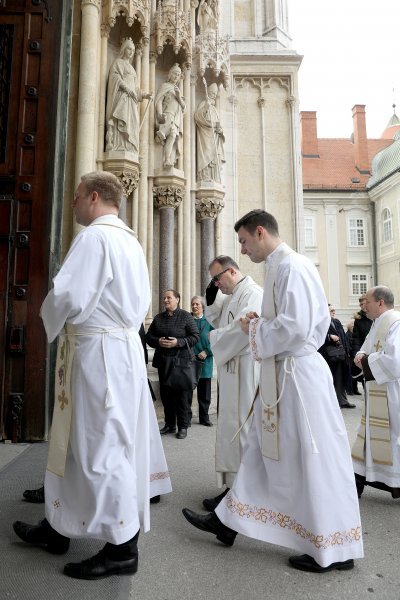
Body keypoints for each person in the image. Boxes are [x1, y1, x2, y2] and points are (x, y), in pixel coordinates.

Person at [183, 209, 363, 573]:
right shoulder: (281, 267)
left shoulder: (292, 267)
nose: (244, 250)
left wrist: (255, 330)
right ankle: (227, 522)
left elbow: (296, 327)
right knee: (261, 450)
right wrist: (260, 324)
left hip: (297, 377)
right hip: (284, 374)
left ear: (260, 232)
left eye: (245, 242)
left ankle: (334, 549)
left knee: (312, 458)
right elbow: (286, 322)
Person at [13, 171, 171, 580]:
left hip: (98, 353)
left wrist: (39, 321)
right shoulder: (130, 240)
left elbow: (68, 295)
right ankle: (58, 523)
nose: (74, 203)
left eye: (78, 195)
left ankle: (122, 548)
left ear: (95, 197)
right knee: (76, 445)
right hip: (113, 350)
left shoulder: (95, 238)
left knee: (100, 447)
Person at [202, 256, 263, 510]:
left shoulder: (252, 293)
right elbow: (218, 319)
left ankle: (244, 493)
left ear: (232, 271)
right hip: (232, 370)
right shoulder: (232, 294)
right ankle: (232, 488)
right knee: (230, 430)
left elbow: (244, 330)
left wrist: (214, 339)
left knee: (243, 430)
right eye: (213, 281)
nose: (216, 284)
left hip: (245, 370)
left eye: (217, 278)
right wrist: (211, 298)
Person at [352, 286, 400, 499]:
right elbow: (366, 347)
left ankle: (394, 482)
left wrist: (365, 361)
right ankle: (358, 480)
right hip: (375, 391)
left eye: (367, 303)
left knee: (393, 436)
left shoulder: (396, 323)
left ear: (381, 302)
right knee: (368, 435)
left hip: (391, 393)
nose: (364, 307)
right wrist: (361, 355)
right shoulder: (377, 323)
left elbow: (395, 361)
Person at [145, 289, 199, 439]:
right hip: (164, 362)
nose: (166, 300)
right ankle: (169, 425)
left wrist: (178, 342)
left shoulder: (186, 317)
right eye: (164, 298)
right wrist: (158, 341)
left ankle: (182, 427)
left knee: (182, 396)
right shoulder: (158, 318)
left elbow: (195, 337)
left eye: (169, 298)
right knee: (166, 395)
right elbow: (149, 336)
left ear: (177, 300)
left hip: (181, 362)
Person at [105, 38, 152, 153]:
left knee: (132, 124)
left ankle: (128, 147)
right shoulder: (117, 63)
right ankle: (117, 146)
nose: (131, 52)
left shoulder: (132, 69)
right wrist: (126, 88)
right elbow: (115, 78)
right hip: (122, 97)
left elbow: (135, 89)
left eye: (133, 50)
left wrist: (145, 95)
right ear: (124, 49)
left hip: (132, 101)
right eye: (129, 49)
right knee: (121, 119)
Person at [319, 305, 355, 409]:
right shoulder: (321, 323)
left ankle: (343, 401)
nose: (334, 311)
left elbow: (343, 337)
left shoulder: (337, 322)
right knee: (330, 380)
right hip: (327, 357)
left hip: (341, 355)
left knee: (341, 379)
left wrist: (346, 350)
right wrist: (329, 337)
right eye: (331, 310)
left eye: (334, 310)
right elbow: (317, 337)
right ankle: (331, 403)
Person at [155, 64, 185, 168]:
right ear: (170, 74)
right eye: (175, 74)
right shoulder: (165, 86)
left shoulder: (177, 89)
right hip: (167, 113)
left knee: (172, 136)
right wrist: (159, 113)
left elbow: (183, 106)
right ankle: (160, 134)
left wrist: (178, 96)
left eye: (178, 75)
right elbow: (159, 100)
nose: (176, 76)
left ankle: (167, 160)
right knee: (167, 132)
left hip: (176, 118)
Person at [190, 296, 214, 426]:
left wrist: (207, 351)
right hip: (190, 361)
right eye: (192, 304)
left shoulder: (210, 321)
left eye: (197, 304)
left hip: (205, 362)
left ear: (202, 306)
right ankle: (186, 418)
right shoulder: (187, 320)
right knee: (187, 392)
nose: (194, 306)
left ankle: (204, 418)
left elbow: (216, 339)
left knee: (204, 393)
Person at [194, 83, 225, 183]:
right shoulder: (204, 104)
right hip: (205, 136)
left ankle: (214, 178)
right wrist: (206, 108)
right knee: (206, 154)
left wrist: (220, 131)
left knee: (215, 157)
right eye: (211, 93)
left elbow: (218, 124)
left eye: (215, 94)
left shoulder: (215, 109)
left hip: (214, 137)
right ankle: (204, 176)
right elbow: (198, 117)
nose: (213, 95)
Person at [352, 294, 372, 392]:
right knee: (367, 384)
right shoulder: (358, 320)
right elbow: (356, 339)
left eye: (364, 304)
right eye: (360, 305)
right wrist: (357, 353)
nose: (362, 306)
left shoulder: (376, 317)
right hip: (365, 354)